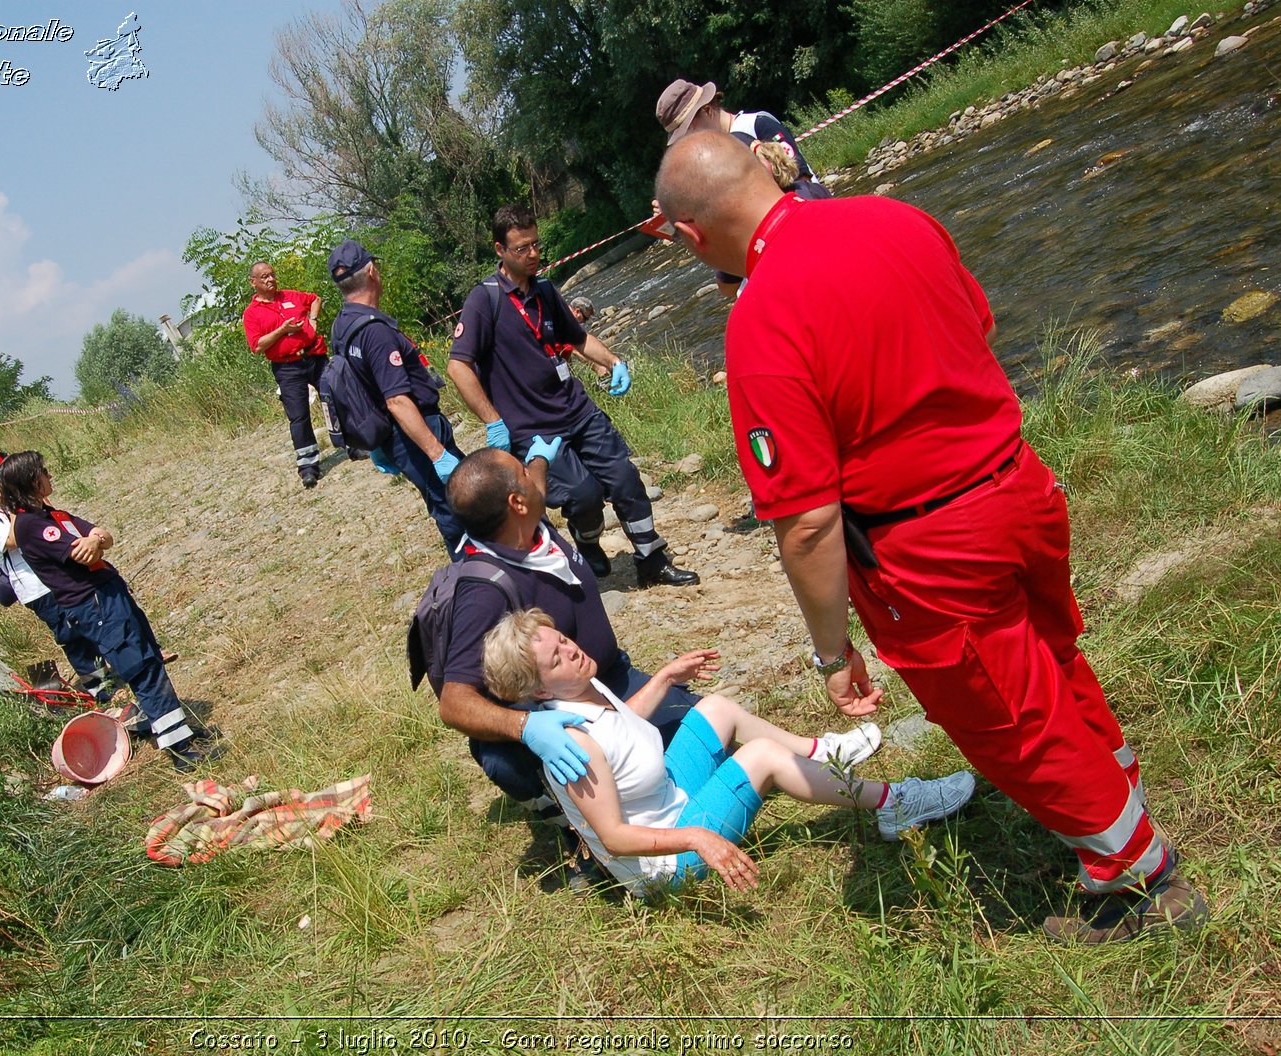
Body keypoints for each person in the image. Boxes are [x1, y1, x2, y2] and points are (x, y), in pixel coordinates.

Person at [654, 131, 1207, 943]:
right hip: (1020, 484)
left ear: (693, 237)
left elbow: (807, 520)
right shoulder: (893, 216)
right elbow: (974, 324)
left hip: (934, 545)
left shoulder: (761, 319)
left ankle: (1140, 879)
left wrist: (832, 652)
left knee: (1009, 718)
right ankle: (1117, 789)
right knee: (1050, 657)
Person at [482, 608, 974, 895]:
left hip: (668, 796)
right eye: (557, 657)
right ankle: (895, 805)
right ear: (538, 689)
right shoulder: (573, 747)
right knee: (759, 757)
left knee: (716, 708)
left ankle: (824, 755)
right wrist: (698, 838)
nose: (572, 649)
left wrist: (665, 679)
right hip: (666, 862)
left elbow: (622, 727)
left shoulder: (584, 687)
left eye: (564, 639)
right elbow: (611, 837)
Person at [437, 446, 712, 847]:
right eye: (523, 472)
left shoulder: (531, 529)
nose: (532, 475)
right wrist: (527, 727)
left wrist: (541, 459)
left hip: (612, 685)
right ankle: (577, 828)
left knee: (706, 730)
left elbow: (534, 486)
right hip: (568, 720)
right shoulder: (483, 592)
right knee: (508, 760)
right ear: (516, 502)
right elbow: (453, 702)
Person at [448, 204, 697, 588]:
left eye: (535, 245)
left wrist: (614, 362)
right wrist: (493, 421)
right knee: (583, 495)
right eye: (521, 249)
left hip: (578, 410)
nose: (532, 255)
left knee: (625, 479)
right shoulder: (486, 301)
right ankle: (588, 542)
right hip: (535, 429)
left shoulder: (546, 289)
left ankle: (652, 558)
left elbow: (577, 338)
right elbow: (458, 367)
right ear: (499, 250)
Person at [0, 451, 218, 771]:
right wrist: (94, 540)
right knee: (140, 667)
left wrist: (96, 537)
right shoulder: (31, 525)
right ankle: (181, 751)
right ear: (31, 481)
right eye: (43, 471)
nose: (50, 475)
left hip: (109, 595)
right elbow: (83, 554)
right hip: (94, 604)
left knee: (149, 658)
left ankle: (177, 731)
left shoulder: (52, 515)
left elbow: (103, 535)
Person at [327, 238, 466, 557]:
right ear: (372, 271)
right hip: (416, 432)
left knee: (446, 503)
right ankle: (477, 583)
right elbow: (397, 400)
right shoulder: (375, 331)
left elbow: (357, 388)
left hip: (394, 437)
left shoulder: (341, 327)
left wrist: (377, 445)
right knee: (456, 508)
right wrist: (436, 453)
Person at [0, 457, 113, 700]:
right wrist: (15, 505)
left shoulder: (0, 507)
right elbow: (11, 540)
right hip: (36, 587)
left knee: (89, 620)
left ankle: (114, 670)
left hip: (53, 575)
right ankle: (101, 688)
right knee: (71, 635)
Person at [655, 78, 830, 301]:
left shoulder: (756, 124)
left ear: (707, 110)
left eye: (689, 130)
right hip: (759, 260)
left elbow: (800, 178)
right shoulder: (705, 160)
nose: (689, 141)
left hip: (803, 233)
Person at [242, 262, 330, 488]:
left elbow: (315, 300)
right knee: (299, 416)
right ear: (254, 283)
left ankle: (351, 442)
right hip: (287, 367)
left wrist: (312, 321)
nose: (270, 279)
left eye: (272, 275)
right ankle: (308, 466)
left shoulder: (290, 296)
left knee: (334, 397)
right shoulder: (252, 314)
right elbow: (258, 346)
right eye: (264, 277)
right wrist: (283, 330)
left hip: (314, 357)